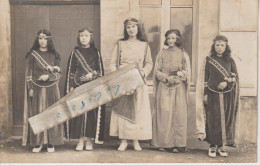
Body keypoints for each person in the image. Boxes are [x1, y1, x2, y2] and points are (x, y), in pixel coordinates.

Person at [109, 18, 153, 151]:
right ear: (125, 29)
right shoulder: (120, 44)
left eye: (134, 26)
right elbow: (112, 63)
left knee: (138, 109)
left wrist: (143, 73)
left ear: (138, 28)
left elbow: (149, 63)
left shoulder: (144, 45)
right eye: (128, 27)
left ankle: (135, 140)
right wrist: (119, 76)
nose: (131, 29)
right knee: (123, 108)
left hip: (138, 80)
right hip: (123, 80)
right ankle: (123, 140)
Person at [196, 35, 240, 158]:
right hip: (212, 94)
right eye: (217, 45)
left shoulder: (230, 60)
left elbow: (235, 77)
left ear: (226, 46)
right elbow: (204, 78)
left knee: (225, 119)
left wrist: (227, 82)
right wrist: (204, 94)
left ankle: (221, 146)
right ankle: (212, 146)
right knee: (213, 120)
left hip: (227, 95)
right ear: (213, 46)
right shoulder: (208, 59)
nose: (219, 48)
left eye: (222, 45)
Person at [22, 29, 64, 152]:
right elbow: (28, 74)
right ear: (37, 39)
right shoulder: (32, 54)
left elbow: (59, 73)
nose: (43, 41)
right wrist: (30, 88)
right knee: (38, 114)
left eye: (45, 38)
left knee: (51, 112)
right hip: (37, 88)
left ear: (49, 39)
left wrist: (49, 77)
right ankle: (38, 143)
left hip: (52, 88)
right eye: (40, 38)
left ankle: (51, 142)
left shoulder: (55, 55)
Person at [65, 27, 106, 151]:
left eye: (86, 36)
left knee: (91, 114)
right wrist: (71, 86)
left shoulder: (96, 52)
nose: (84, 38)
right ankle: (80, 140)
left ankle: (89, 140)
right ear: (79, 38)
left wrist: (93, 75)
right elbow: (70, 71)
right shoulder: (75, 52)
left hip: (92, 87)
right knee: (79, 113)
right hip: (78, 86)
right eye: (82, 36)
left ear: (91, 38)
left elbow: (100, 72)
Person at [152, 29, 191, 153]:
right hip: (164, 87)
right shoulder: (162, 53)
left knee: (178, 114)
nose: (171, 41)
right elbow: (157, 71)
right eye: (169, 38)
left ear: (178, 39)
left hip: (178, 88)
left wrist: (178, 78)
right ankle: (163, 143)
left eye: (173, 38)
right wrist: (166, 77)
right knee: (164, 114)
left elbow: (187, 71)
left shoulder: (183, 54)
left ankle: (177, 144)